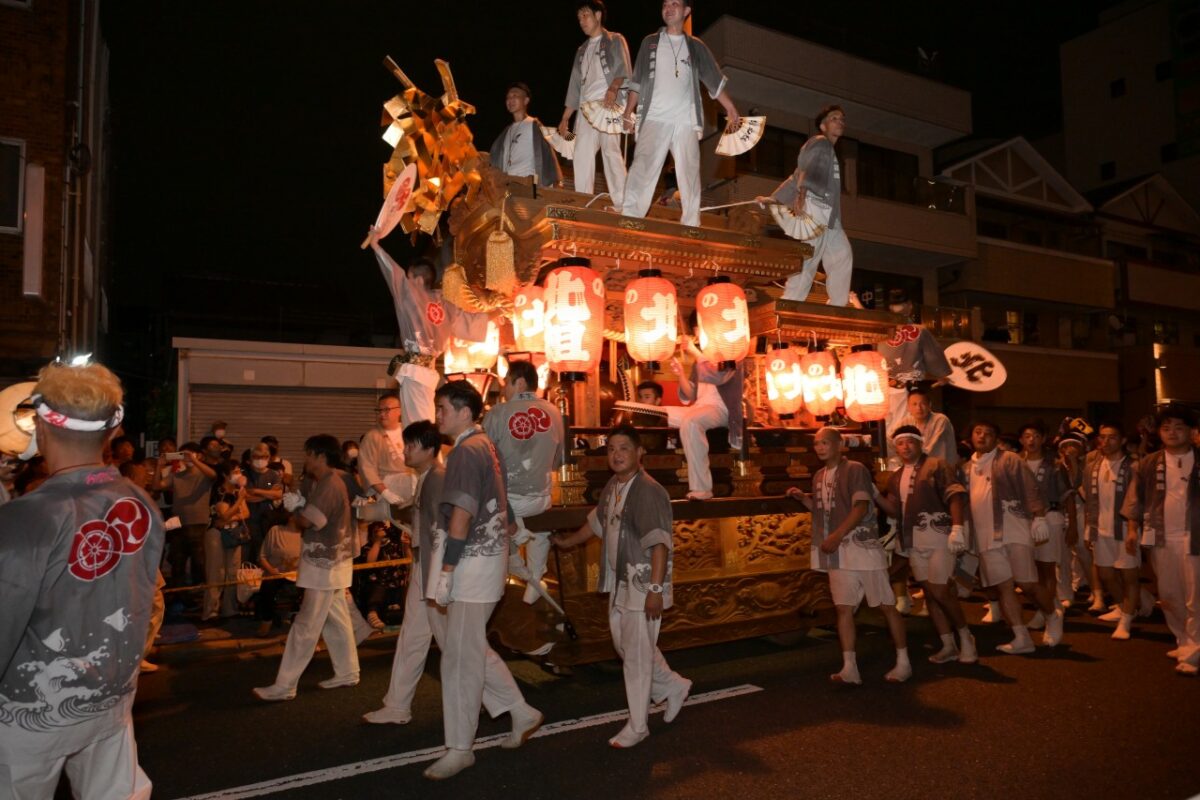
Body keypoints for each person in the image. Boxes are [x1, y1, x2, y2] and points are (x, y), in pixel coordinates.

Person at [0, 359, 162, 798]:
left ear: (39, 426)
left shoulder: (27, 516)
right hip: (110, 697)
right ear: (113, 431)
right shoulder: (142, 502)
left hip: (29, 714)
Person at [423, 381, 542, 780]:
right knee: (470, 646)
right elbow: (502, 503)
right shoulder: (485, 444)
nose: (437, 415)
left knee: (459, 659)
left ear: (462, 410)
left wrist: (447, 570)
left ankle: (460, 747)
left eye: (441, 408)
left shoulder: (466, 451)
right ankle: (522, 712)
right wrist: (512, 534)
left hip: (471, 564)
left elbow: (461, 514)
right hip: (485, 561)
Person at [552, 423, 691, 747]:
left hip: (643, 583)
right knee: (628, 646)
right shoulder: (615, 485)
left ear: (640, 452)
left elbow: (659, 544)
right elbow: (598, 524)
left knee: (637, 655)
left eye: (624, 448)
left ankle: (638, 725)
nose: (616, 454)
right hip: (621, 580)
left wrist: (655, 591)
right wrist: (569, 542)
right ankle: (672, 686)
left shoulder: (648, 490)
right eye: (612, 449)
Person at [788, 427, 911, 684]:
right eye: (817, 444)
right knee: (843, 608)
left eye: (825, 443)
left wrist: (836, 536)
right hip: (838, 554)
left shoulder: (855, 469)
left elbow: (861, 507)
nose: (820, 448)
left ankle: (903, 661)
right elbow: (823, 513)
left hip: (862, 548)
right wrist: (804, 500)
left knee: (887, 606)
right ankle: (849, 667)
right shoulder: (819, 476)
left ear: (839, 444)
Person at [253, 435, 359, 700]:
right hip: (334, 560)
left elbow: (310, 522)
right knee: (336, 618)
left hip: (324, 562)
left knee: (305, 625)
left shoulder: (330, 484)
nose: (306, 459)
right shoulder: (331, 479)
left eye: (308, 454)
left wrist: (297, 510)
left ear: (319, 456)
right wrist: (300, 504)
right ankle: (347, 672)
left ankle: (285, 685)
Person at [620, 0, 741, 228]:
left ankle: (691, 225)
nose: (669, 7)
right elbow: (637, 81)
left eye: (675, 3)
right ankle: (630, 219)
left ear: (686, 11)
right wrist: (629, 110)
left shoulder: (696, 47)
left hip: (685, 120)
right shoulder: (650, 43)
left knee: (690, 172)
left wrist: (730, 107)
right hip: (654, 117)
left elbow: (713, 80)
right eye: (666, 3)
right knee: (642, 166)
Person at [363, 420, 447, 725]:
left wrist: (441, 573)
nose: (406, 451)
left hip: (433, 569)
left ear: (428, 448)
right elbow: (419, 517)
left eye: (411, 445)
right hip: (425, 565)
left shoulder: (436, 478)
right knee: (414, 636)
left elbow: (443, 527)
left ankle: (504, 701)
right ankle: (397, 704)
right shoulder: (425, 477)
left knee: (454, 642)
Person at [367, 241, 495, 428]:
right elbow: (471, 323)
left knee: (416, 429)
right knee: (422, 423)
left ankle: (426, 454)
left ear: (417, 280)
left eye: (409, 278)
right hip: (427, 372)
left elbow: (393, 272)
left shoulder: (411, 295)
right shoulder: (445, 304)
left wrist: (376, 245)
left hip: (416, 372)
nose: (406, 282)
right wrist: (496, 313)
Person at [875, 426, 975, 663]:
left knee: (941, 589)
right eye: (900, 443)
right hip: (912, 539)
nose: (906, 447)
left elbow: (955, 495)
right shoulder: (896, 476)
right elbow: (894, 510)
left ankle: (966, 636)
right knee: (930, 594)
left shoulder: (937, 465)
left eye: (910, 442)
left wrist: (958, 527)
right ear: (896, 448)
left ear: (921, 443)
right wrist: (875, 495)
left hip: (940, 535)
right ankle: (948, 644)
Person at [964, 421, 1063, 653]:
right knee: (1003, 587)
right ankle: (1022, 638)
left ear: (996, 440)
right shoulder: (965, 468)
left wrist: (1039, 516)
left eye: (989, 433)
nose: (982, 436)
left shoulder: (1010, 459)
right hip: (985, 535)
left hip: (1014, 528)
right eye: (978, 432)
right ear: (971, 437)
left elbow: (1031, 487)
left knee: (1027, 583)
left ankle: (1052, 614)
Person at [1122, 405, 1200, 675]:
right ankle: (1184, 640)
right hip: (1162, 537)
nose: (1172, 433)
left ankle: (1193, 651)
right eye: (1166, 428)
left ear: (1192, 432)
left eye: (1179, 427)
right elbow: (1136, 499)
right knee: (1168, 595)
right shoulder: (1148, 463)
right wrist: (1132, 529)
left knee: (1195, 596)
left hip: (1195, 537)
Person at [482, 359, 565, 608]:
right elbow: (557, 462)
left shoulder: (497, 413)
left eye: (506, 383)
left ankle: (518, 572)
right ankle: (535, 578)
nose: (504, 389)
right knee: (541, 532)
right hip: (542, 498)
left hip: (509, 503)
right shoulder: (554, 412)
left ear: (519, 382)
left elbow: (485, 460)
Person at [757, 105, 851, 305]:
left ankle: (838, 305)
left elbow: (797, 175)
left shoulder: (826, 148)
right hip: (817, 207)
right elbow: (806, 174)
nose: (840, 121)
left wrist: (774, 198)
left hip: (830, 214)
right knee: (811, 255)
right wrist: (801, 194)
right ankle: (791, 300)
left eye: (842, 119)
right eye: (834, 118)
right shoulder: (820, 143)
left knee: (842, 255)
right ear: (822, 126)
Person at [559, 0, 631, 205]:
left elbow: (623, 69)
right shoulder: (581, 51)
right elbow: (574, 86)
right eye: (579, 17)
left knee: (610, 151)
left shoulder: (615, 39)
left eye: (585, 15)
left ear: (598, 15)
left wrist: (614, 88)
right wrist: (565, 118)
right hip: (585, 109)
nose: (581, 21)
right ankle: (584, 202)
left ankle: (623, 204)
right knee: (581, 153)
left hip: (608, 103)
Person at [1081, 422, 1141, 640]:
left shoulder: (1134, 467)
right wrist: (1089, 528)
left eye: (1112, 437)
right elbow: (1090, 501)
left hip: (1125, 528)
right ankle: (1123, 607)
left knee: (1129, 576)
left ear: (1123, 440)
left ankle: (1126, 619)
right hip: (1101, 528)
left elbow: (1137, 502)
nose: (1106, 442)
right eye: (1102, 437)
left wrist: (1134, 529)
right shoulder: (1092, 467)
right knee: (1106, 574)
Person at [663, 335, 743, 500]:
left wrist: (694, 351)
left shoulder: (732, 355)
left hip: (722, 410)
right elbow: (691, 393)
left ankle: (702, 488)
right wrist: (680, 375)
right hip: (699, 408)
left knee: (691, 422)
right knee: (659, 413)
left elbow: (717, 376)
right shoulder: (699, 361)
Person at [1018, 421, 1073, 631]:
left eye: (1036, 436)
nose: (1031, 440)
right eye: (1027, 436)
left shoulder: (1055, 464)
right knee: (1032, 570)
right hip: (1024, 520)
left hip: (1050, 517)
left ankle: (1045, 612)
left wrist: (1072, 525)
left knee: (1048, 568)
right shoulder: (1015, 462)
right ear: (1021, 440)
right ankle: (1051, 605)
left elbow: (1067, 495)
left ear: (1043, 439)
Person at [155, 440, 217, 588]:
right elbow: (157, 486)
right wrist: (159, 466)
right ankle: (179, 596)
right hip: (178, 523)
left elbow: (213, 475)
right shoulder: (177, 475)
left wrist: (194, 461)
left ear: (200, 456)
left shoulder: (204, 475)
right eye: (184, 455)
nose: (187, 458)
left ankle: (198, 593)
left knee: (199, 562)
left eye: (191, 454)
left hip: (198, 523)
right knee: (178, 561)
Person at [358, 391, 417, 521]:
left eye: (387, 410)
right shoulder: (372, 436)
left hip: (412, 483)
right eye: (379, 410)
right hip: (387, 485)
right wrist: (385, 492)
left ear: (399, 411)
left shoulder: (408, 432)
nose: (382, 414)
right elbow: (367, 468)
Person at [490, 82, 562, 187]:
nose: (510, 100)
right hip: (508, 184)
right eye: (508, 97)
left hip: (528, 183)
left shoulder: (534, 124)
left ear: (526, 100)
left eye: (515, 95)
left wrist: (559, 180)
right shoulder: (506, 131)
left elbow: (549, 152)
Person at [203, 459, 250, 621]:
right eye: (235, 471)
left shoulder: (238, 490)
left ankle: (230, 609)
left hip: (234, 534)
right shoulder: (219, 490)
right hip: (216, 534)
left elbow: (246, 513)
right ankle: (211, 611)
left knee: (233, 572)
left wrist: (231, 515)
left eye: (239, 471)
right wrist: (238, 503)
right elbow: (223, 515)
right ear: (225, 474)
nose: (239, 475)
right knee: (216, 572)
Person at [355, 521, 407, 629]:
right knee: (379, 587)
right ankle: (372, 614)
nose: (381, 533)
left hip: (396, 586)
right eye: (376, 531)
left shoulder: (394, 545)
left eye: (382, 530)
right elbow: (370, 562)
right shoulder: (367, 548)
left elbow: (407, 560)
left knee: (407, 585)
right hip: (377, 588)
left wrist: (407, 545)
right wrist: (377, 542)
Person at [255, 520, 302, 638]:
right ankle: (267, 619)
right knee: (268, 585)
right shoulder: (275, 531)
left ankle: (301, 620)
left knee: (311, 586)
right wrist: (271, 570)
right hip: (275, 573)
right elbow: (262, 556)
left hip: (297, 575)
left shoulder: (306, 534)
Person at [897, 386, 957, 467]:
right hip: (917, 468)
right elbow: (892, 440)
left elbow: (930, 448)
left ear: (929, 405)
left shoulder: (940, 420)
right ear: (908, 407)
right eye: (914, 404)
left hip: (941, 469)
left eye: (923, 404)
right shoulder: (906, 421)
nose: (919, 408)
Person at [244, 441, 283, 564]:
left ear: (268, 458)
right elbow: (246, 496)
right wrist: (268, 495)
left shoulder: (273, 474)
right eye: (257, 457)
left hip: (268, 518)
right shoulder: (245, 474)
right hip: (250, 518)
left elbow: (278, 494)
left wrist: (256, 491)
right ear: (251, 458)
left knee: (269, 547)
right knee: (254, 548)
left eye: (263, 457)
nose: (260, 460)